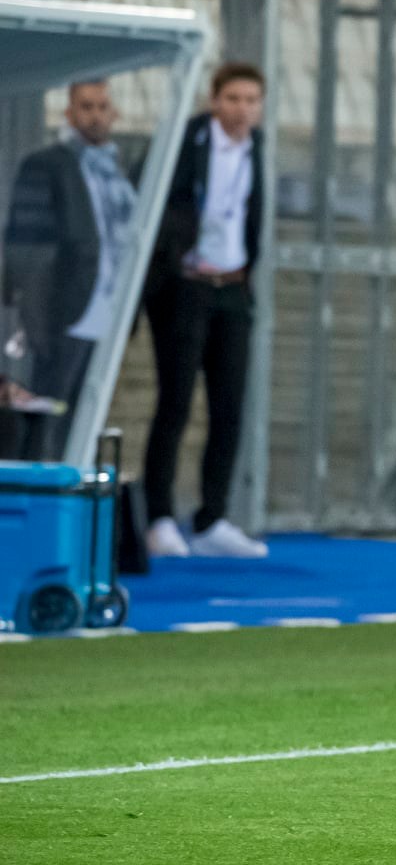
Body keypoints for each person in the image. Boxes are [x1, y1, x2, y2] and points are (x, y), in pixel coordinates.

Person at [142, 62, 270, 560]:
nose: (242, 109)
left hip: (232, 287)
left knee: (230, 406)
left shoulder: (255, 149)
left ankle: (212, 515)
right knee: (174, 403)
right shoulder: (186, 142)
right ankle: (158, 515)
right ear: (215, 100)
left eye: (251, 101)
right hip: (187, 286)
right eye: (234, 99)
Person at [0, 81, 137, 463]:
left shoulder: (116, 173)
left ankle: (71, 504)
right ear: (69, 113)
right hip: (62, 316)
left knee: (87, 418)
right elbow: (25, 247)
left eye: (102, 107)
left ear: (114, 113)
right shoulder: (47, 165)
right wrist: (32, 315)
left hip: (106, 313)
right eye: (86, 107)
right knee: (43, 418)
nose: (95, 116)